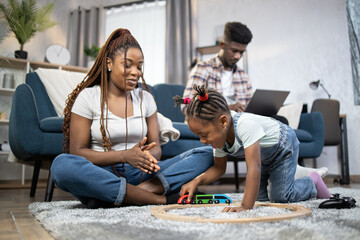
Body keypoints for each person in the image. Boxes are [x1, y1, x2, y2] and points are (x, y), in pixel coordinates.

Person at [50, 28, 213, 208]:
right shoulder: (88, 98)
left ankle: (117, 195)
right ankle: (158, 199)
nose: (136, 72)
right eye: (128, 65)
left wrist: (147, 157)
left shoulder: (146, 98)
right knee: (61, 165)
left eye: (139, 66)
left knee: (207, 154)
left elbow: (156, 146)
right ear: (109, 63)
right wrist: (125, 156)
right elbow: (77, 152)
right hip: (102, 173)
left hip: (141, 173)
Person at [183, 21, 328, 179]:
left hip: (239, 122)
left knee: (279, 120)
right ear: (223, 45)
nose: (238, 56)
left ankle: (292, 169)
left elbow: (248, 107)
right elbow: (187, 104)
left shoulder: (242, 75)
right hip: (214, 122)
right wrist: (226, 108)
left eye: (242, 52)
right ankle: (297, 173)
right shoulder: (203, 68)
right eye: (234, 51)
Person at [174, 85, 331, 212]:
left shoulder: (244, 125)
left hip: (284, 146)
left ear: (223, 122)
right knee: (261, 200)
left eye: (204, 135)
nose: (203, 141)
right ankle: (291, 175)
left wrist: (244, 207)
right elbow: (218, 169)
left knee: (281, 197)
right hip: (264, 156)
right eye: (199, 136)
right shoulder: (220, 138)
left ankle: (313, 181)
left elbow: (253, 168)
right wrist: (196, 181)